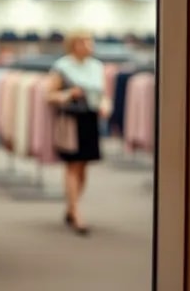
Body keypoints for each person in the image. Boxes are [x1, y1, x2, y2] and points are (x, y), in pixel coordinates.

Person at [47, 29, 108, 236]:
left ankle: (71, 207)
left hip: (90, 119)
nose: (89, 45)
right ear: (74, 44)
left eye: (91, 41)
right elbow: (50, 95)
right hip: (71, 120)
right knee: (73, 165)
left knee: (83, 168)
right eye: (84, 42)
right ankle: (76, 212)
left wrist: (105, 105)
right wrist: (68, 93)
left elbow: (102, 94)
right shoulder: (62, 67)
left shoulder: (97, 67)